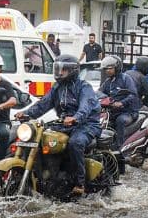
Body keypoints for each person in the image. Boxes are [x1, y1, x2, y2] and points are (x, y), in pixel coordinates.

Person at [15, 53, 100, 197]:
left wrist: (75, 117)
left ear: (72, 71)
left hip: (86, 124)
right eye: (58, 69)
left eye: (63, 70)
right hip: (64, 124)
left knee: (75, 143)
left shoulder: (84, 87)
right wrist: (26, 114)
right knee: (42, 139)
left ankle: (80, 183)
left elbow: (85, 107)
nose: (60, 73)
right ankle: (47, 176)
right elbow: (43, 104)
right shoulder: (57, 87)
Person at [98, 54, 141, 148]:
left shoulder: (126, 79)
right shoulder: (108, 82)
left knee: (120, 121)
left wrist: (121, 103)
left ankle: (119, 147)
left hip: (128, 112)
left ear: (117, 67)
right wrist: (105, 98)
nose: (107, 71)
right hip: (112, 112)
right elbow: (99, 92)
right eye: (105, 69)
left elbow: (133, 95)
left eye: (110, 68)